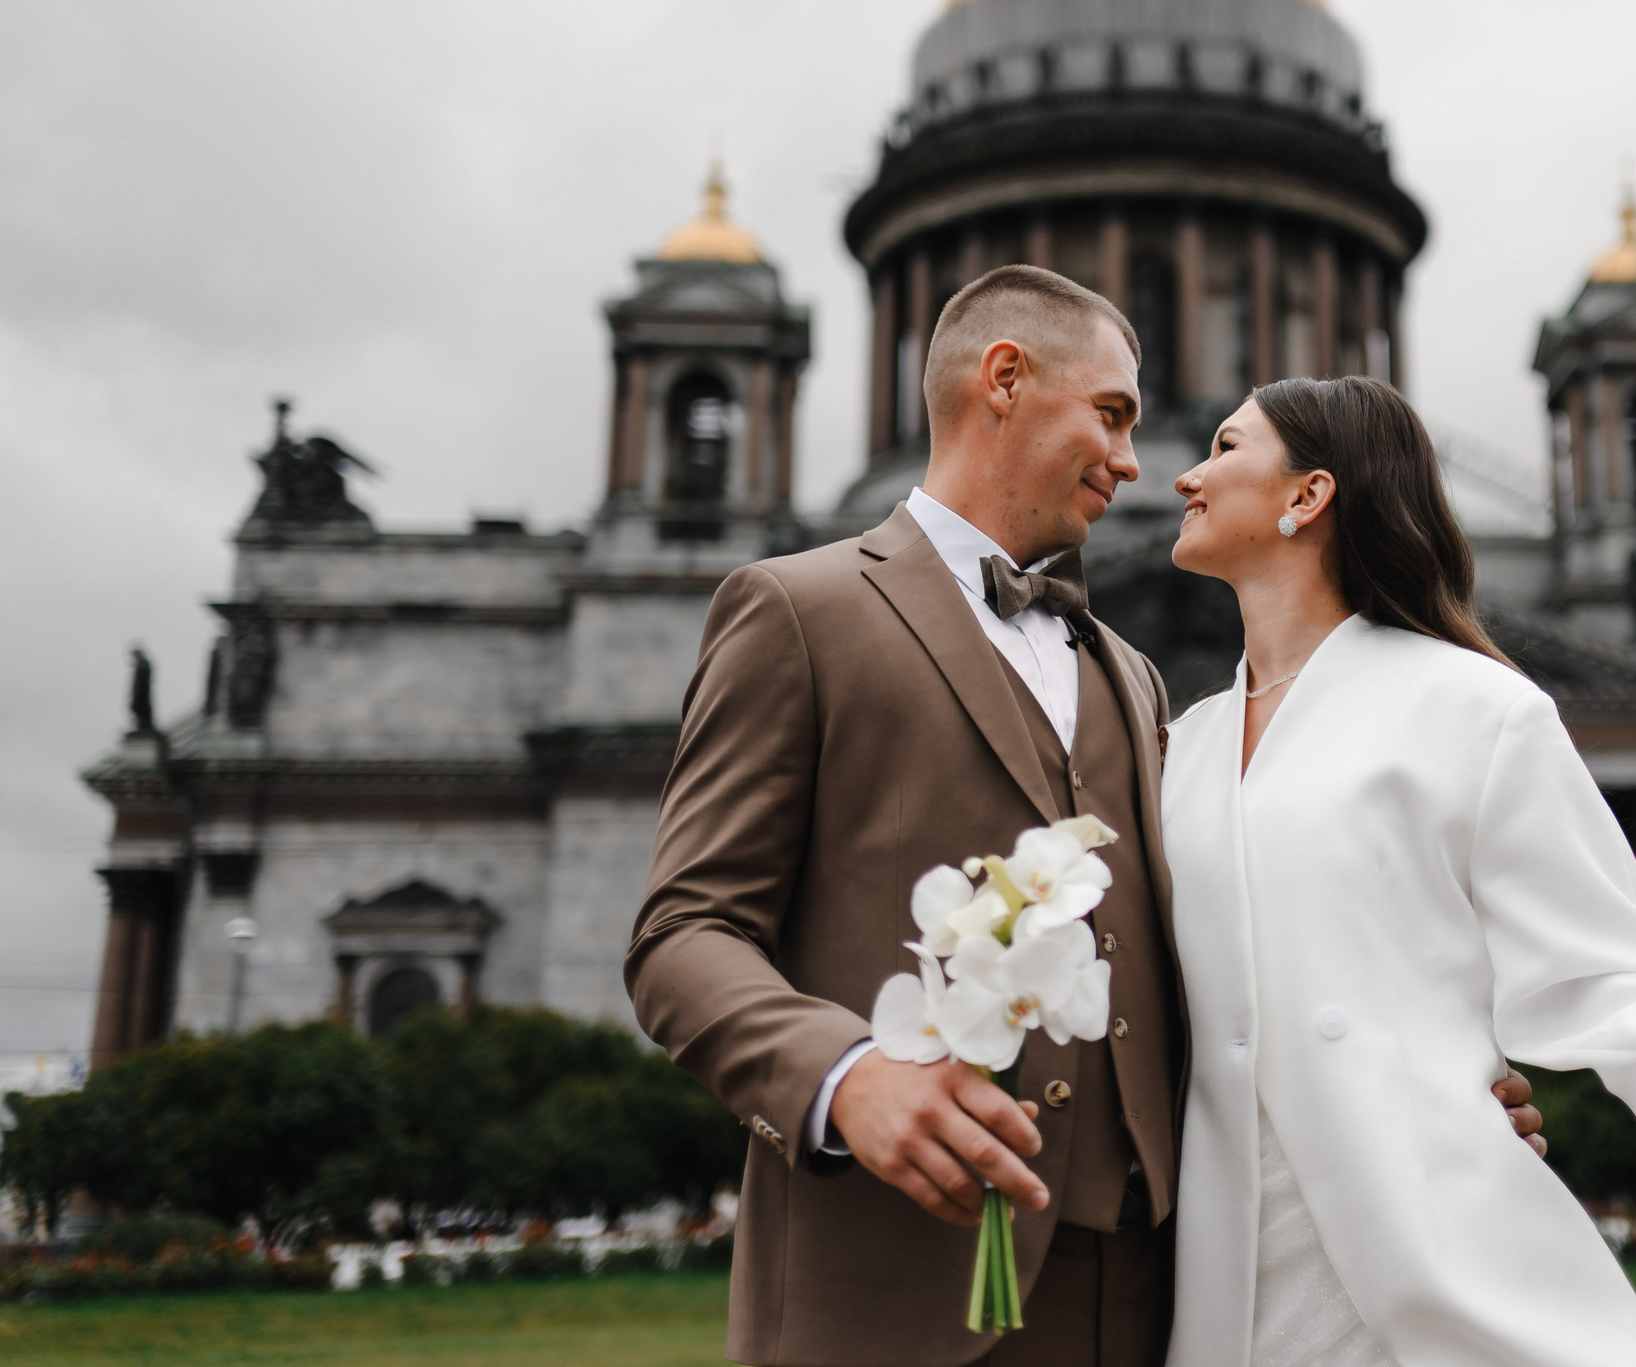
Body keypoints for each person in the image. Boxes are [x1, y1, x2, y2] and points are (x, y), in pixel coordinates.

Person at [625, 270, 1542, 1367]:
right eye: (1111, 416)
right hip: (898, 1283)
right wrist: (845, 1076)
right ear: (1003, 379)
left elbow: (1211, 963)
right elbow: (682, 935)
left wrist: (1421, 1088)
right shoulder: (797, 611)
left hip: (1154, 1296)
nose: (1132, 463)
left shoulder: (1138, 678)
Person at [1161, 376, 1636, 1367]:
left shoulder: (1475, 710)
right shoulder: (1180, 744)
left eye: (1222, 448)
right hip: (1216, 1274)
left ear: (1307, 496)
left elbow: (1594, 974)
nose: (1182, 475)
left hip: (1426, 1246)